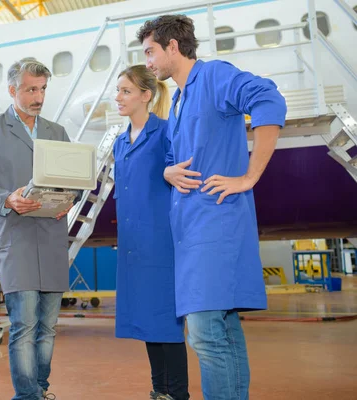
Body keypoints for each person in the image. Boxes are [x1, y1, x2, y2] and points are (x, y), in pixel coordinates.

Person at [137, 15, 287, 400]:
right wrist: (169, 171)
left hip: (216, 226)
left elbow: (269, 98)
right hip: (191, 233)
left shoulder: (215, 76)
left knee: (204, 334)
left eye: (151, 52)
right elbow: (174, 157)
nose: (148, 62)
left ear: (173, 46)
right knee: (222, 332)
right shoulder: (180, 102)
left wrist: (249, 177)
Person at [0, 58, 76, 400]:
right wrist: (7, 199)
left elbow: (73, 182)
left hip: (52, 237)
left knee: (48, 327)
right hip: (15, 237)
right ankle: (27, 395)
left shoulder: (57, 133)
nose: (38, 96)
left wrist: (69, 199)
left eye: (42, 89)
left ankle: (40, 389)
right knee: (25, 326)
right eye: (31, 89)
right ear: (13, 90)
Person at [112, 64, 189, 400]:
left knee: (166, 325)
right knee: (146, 321)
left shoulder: (166, 132)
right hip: (133, 246)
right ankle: (160, 391)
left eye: (126, 91)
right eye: (118, 90)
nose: (118, 97)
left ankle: (178, 394)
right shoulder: (118, 142)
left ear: (146, 95)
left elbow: (182, 174)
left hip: (161, 245)